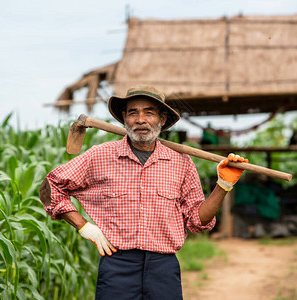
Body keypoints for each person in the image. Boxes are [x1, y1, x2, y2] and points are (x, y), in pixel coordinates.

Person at [39, 85, 248, 299]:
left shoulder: (181, 163)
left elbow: (197, 220)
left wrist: (223, 185)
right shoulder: (99, 156)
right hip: (117, 266)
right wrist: (83, 226)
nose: (140, 119)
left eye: (149, 112)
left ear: (162, 119)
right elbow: (50, 186)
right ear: (124, 118)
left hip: (163, 268)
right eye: (133, 112)